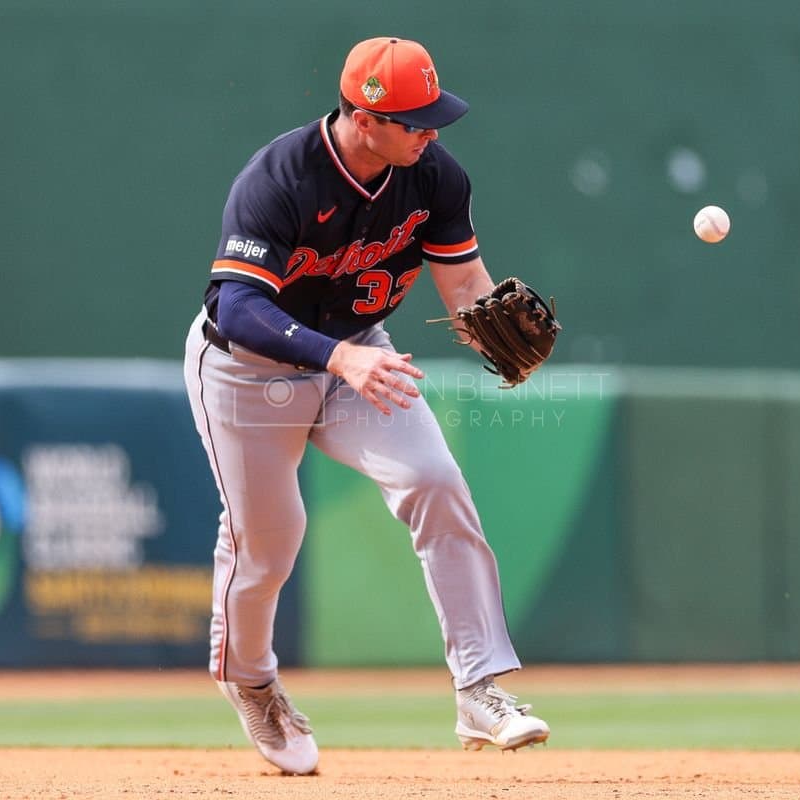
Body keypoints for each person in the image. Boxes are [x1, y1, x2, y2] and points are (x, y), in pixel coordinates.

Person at [183, 36, 549, 775]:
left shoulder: (435, 177)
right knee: (269, 541)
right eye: (412, 120)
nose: (429, 132)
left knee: (435, 482)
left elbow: (464, 286)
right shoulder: (280, 178)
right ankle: (251, 681)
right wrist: (339, 357)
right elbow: (237, 304)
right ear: (362, 117)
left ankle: (479, 687)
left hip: (362, 356)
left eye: (432, 116)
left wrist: (501, 331)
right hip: (248, 371)